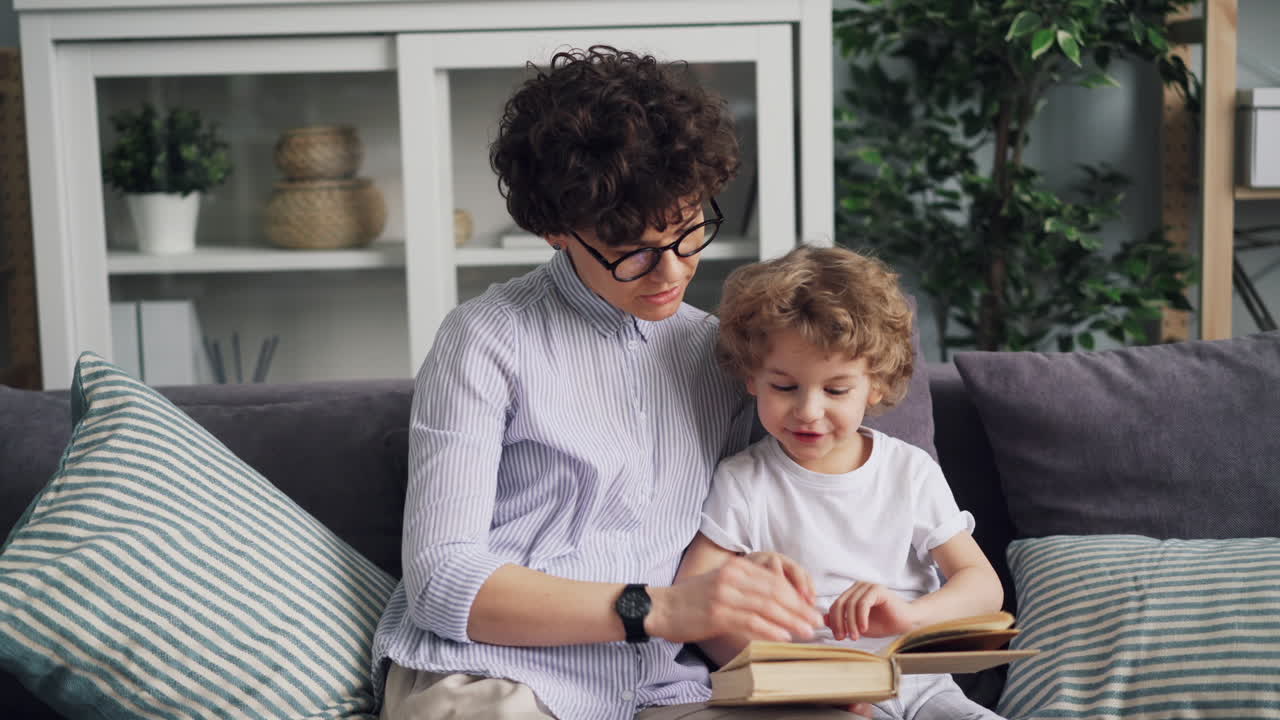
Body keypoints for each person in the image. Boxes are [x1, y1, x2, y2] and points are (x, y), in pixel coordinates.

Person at [371, 46, 872, 720]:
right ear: (555, 229)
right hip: (498, 678)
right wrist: (661, 607)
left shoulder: (721, 352)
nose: (669, 273)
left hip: (665, 688)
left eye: (688, 232)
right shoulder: (485, 338)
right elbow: (442, 581)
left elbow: (746, 531)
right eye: (631, 250)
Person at [679, 245, 1007, 720]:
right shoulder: (744, 480)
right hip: (809, 693)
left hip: (918, 682)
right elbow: (694, 599)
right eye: (785, 386)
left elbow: (981, 585)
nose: (809, 411)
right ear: (751, 377)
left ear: (874, 384)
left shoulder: (909, 471)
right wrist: (783, 676)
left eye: (836, 389)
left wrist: (909, 616)